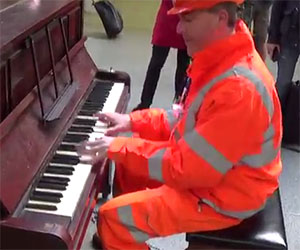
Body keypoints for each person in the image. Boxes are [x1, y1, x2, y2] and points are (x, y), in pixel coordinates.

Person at [80, 0, 282, 249]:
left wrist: (119, 147)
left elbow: (188, 169)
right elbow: (185, 118)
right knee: (128, 170)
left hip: (230, 194)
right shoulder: (218, 57)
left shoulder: (238, 88)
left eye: (187, 20)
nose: (178, 29)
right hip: (217, 171)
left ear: (220, 18)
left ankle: (121, 234)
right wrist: (132, 121)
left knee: (113, 218)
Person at [133, 0, 190, 111]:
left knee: (183, 67)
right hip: (168, 15)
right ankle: (145, 103)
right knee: (156, 63)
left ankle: (180, 105)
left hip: (186, 15)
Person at [267, 0, 300, 113]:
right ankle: (274, 119)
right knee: (283, 85)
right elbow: (278, 5)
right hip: (290, 35)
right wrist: (273, 38)